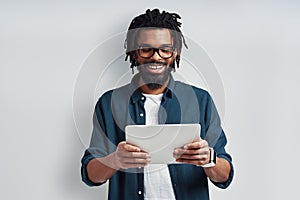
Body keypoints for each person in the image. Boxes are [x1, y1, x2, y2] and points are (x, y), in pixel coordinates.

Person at [81, 8, 234, 200]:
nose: (156, 56)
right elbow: (90, 175)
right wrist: (115, 160)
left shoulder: (200, 100)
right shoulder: (109, 103)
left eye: (165, 49)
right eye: (146, 49)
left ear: (175, 53)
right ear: (134, 52)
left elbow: (224, 176)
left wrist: (208, 159)